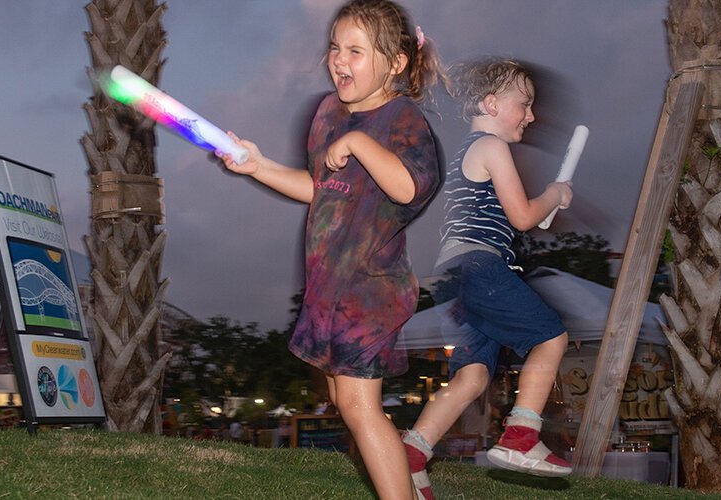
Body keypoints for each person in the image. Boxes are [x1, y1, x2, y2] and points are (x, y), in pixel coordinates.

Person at [218, 1, 442, 496]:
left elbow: (408, 187)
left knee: (361, 407)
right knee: (345, 400)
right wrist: (258, 166)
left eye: (356, 51)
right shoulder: (327, 114)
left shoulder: (404, 120)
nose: (340, 59)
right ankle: (411, 485)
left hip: (371, 287)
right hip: (330, 287)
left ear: (397, 63)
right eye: (335, 47)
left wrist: (360, 143)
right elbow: (319, 186)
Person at [400, 57, 573, 497]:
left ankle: (411, 456)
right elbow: (522, 216)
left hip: (454, 275)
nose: (532, 115)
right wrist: (553, 193)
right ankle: (520, 437)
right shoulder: (493, 147)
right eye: (525, 104)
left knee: (472, 377)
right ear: (492, 103)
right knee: (550, 338)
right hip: (480, 266)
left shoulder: (469, 151)